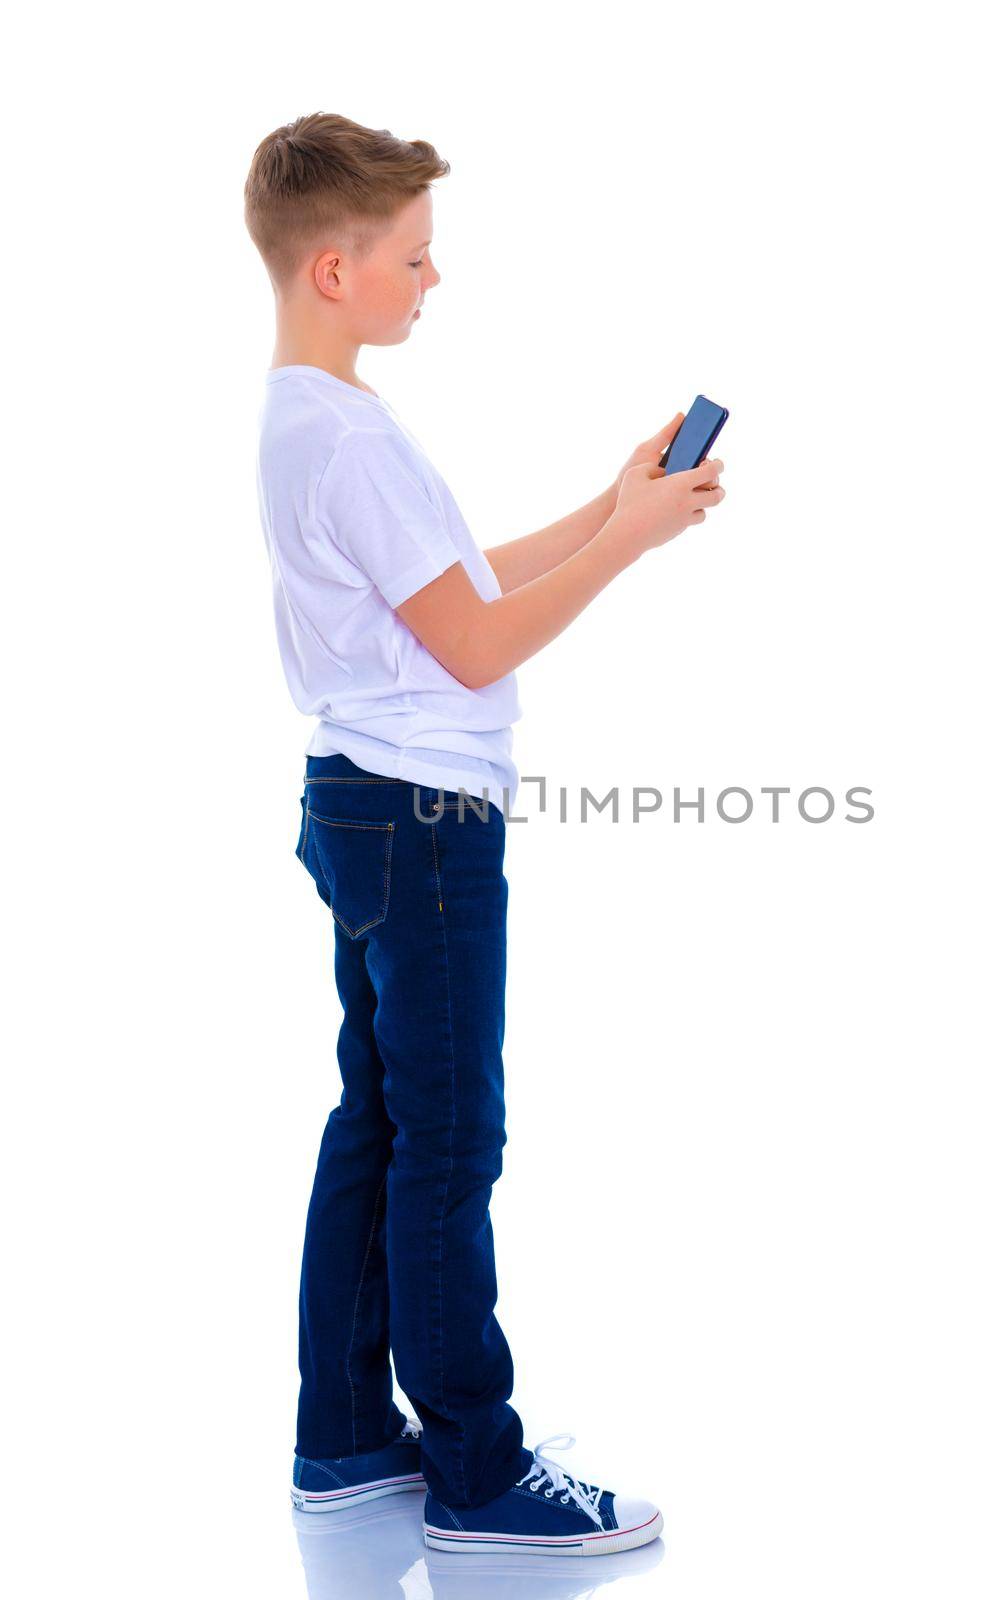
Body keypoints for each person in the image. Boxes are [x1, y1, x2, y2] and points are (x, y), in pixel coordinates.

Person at [243, 111, 725, 1557]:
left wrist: (609, 501)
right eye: (413, 257)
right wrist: (634, 546)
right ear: (336, 268)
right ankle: (476, 1471)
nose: (431, 280)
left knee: (381, 1121)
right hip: (421, 822)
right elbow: (469, 643)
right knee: (448, 1141)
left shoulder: (310, 420)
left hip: (361, 808)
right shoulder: (344, 438)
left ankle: (343, 1439)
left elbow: (443, 585)